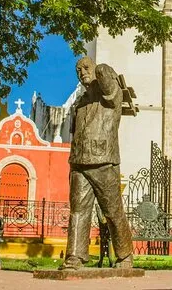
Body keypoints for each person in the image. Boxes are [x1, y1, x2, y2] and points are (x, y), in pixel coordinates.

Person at [61, 57, 133, 270]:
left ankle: (125, 255)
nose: (82, 72)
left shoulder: (111, 94)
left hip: (103, 161)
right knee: (78, 211)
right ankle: (75, 257)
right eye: (78, 70)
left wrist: (99, 68)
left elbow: (106, 79)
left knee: (112, 210)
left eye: (86, 68)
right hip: (79, 162)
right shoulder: (81, 102)